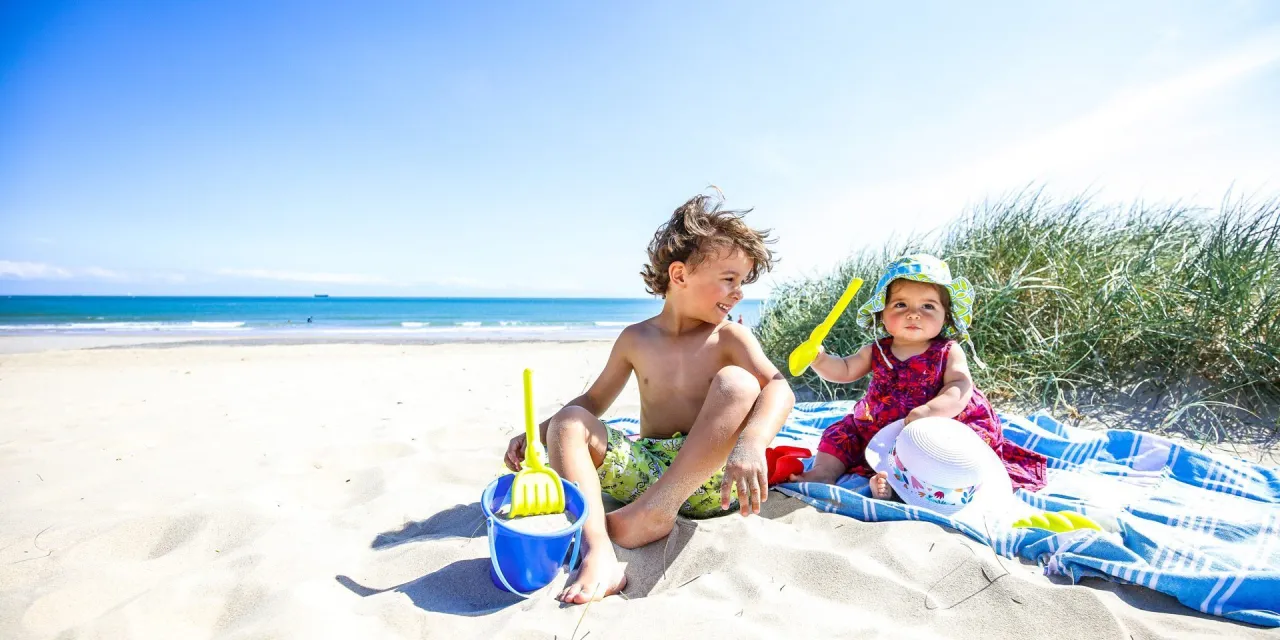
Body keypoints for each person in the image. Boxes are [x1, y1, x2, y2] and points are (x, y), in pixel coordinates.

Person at [503, 192, 794, 604]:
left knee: (739, 383)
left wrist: (752, 443)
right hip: (646, 471)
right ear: (679, 275)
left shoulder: (729, 336)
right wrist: (537, 432)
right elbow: (593, 402)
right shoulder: (635, 339)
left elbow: (779, 387)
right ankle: (598, 549)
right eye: (729, 279)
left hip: (709, 479)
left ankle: (658, 511)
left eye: (743, 282)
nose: (739, 293)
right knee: (570, 420)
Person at [789, 254, 1046, 500]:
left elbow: (959, 386)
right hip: (878, 426)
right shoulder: (877, 349)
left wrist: (931, 410)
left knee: (941, 456)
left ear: (946, 315)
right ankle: (824, 473)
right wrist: (820, 359)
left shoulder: (947, 351)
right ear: (881, 313)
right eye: (901, 305)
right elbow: (844, 370)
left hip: (937, 425)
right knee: (841, 434)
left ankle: (900, 482)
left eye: (928, 306)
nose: (913, 314)